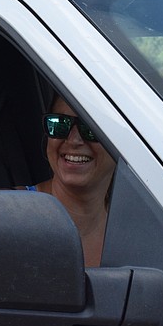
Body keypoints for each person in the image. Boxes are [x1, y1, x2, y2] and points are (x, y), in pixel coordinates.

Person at [27, 95, 115, 267]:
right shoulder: (6, 214)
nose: (74, 140)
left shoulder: (140, 232)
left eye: (92, 128)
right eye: (59, 124)